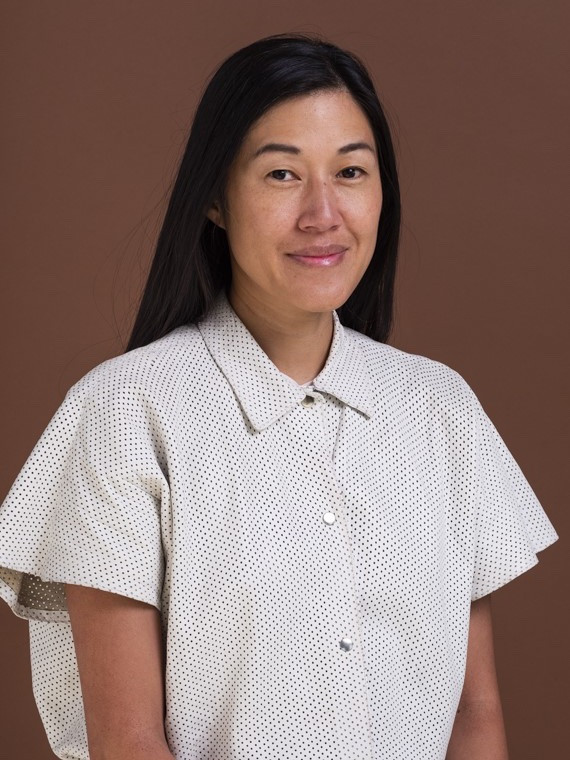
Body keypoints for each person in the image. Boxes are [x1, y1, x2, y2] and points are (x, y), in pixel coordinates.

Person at [0, 33, 558, 760]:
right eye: (282, 176)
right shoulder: (124, 413)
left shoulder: (441, 410)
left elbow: (473, 716)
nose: (323, 214)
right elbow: (127, 740)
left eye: (351, 171)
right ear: (215, 199)